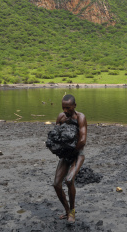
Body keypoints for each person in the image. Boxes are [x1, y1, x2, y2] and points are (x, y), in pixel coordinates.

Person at [53, 94, 87, 224]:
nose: (65, 111)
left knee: (68, 180)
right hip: (66, 155)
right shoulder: (61, 117)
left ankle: (72, 211)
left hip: (77, 154)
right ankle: (67, 211)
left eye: (68, 108)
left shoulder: (80, 117)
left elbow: (83, 140)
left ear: (74, 106)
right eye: (63, 108)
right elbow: (56, 135)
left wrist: (71, 151)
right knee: (56, 184)